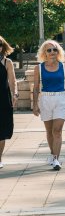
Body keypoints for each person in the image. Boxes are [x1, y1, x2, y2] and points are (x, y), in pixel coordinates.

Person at [32, 40, 65, 171]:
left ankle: (56, 159)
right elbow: (35, 88)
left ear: (58, 51)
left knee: (57, 130)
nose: (52, 52)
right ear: (44, 52)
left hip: (60, 99)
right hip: (45, 99)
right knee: (49, 131)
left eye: (55, 49)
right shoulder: (38, 68)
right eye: (49, 50)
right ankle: (52, 153)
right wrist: (35, 104)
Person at [0, 37, 17, 169]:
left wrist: (15, 94)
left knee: (1, 130)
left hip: (3, 100)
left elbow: (12, 81)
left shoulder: (7, 62)